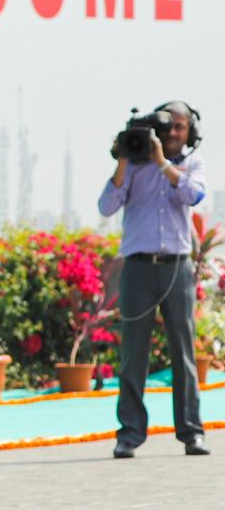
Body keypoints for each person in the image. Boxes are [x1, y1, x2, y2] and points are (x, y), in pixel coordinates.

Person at [98, 101, 209, 459]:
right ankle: (129, 433)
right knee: (133, 353)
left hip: (176, 266)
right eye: (169, 127)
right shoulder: (133, 165)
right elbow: (106, 206)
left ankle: (191, 433)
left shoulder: (191, 164)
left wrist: (163, 164)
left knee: (184, 353)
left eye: (180, 127)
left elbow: (193, 194)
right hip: (138, 267)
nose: (174, 133)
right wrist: (123, 161)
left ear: (189, 132)